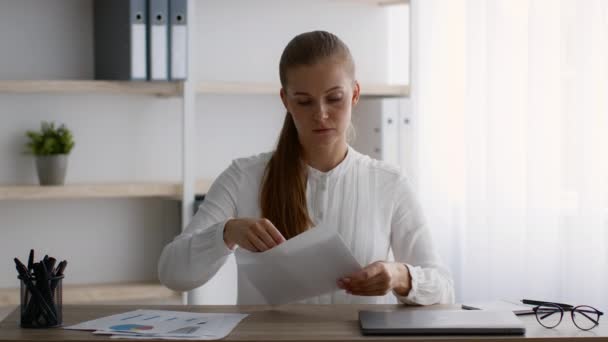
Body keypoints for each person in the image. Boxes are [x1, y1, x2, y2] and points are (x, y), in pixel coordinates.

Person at [158, 30, 454, 305]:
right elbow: (172, 273)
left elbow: (444, 287)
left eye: (334, 98)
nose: (321, 114)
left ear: (354, 94)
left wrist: (399, 276)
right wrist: (226, 233)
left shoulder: (389, 183)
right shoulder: (243, 176)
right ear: (285, 100)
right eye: (304, 102)